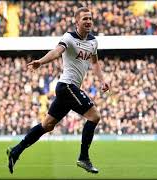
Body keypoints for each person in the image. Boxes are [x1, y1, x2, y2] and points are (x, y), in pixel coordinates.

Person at [6, 7, 110, 174]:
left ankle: (16, 151)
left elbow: (95, 63)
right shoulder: (69, 37)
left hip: (70, 89)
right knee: (94, 116)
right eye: (84, 19)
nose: (88, 21)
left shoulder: (93, 41)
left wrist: (102, 81)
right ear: (76, 21)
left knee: (47, 125)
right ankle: (84, 158)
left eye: (90, 18)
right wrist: (40, 62)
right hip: (66, 86)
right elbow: (56, 52)